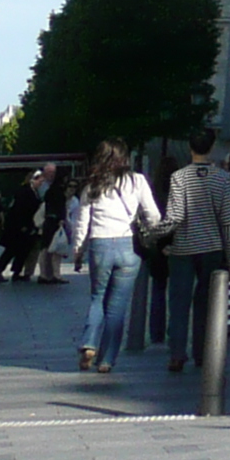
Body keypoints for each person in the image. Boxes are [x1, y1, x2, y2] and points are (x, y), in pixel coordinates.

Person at [65, 139, 158, 374]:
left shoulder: (93, 186)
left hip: (100, 244)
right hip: (129, 247)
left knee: (97, 298)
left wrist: (77, 252)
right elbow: (154, 216)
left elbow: (81, 223)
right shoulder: (137, 181)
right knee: (117, 307)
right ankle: (106, 360)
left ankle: (88, 343)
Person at [158, 131, 230, 372]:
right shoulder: (222, 178)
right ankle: (202, 352)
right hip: (212, 247)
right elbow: (227, 219)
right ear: (211, 148)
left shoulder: (179, 177)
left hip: (183, 248)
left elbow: (174, 216)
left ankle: (177, 353)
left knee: (179, 301)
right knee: (206, 302)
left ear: (190, 148)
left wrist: (156, 234)